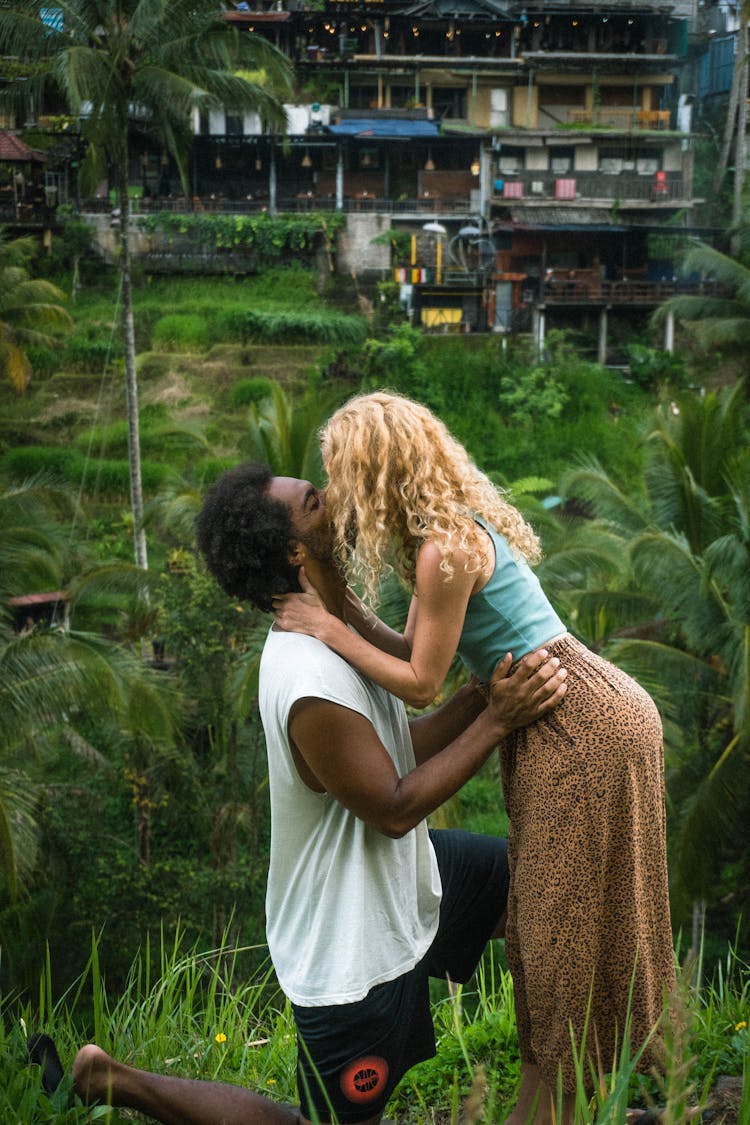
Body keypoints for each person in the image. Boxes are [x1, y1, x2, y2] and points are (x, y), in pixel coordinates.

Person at [50, 461, 566, 1125]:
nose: (338, 502)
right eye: (316, 501)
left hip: (408, 882)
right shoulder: (306, 674)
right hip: (349, 941)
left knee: (544, 887)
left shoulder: (336, 628)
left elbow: (394, 746)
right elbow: (394, 806)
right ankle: (113, 1078)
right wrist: (498, 720)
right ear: (297, 550)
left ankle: (557, 1086)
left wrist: (478, 694)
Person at [271, 392, 677, 1125]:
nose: (333, 496)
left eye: (338, 476)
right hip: (567, 717)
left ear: (373, 472)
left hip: (579, 724)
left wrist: (328, 633)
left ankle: (563, 1102)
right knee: (549, 926)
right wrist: (338, 615)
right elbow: (409, 651)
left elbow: (423, 685)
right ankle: (560, 1100)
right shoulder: (437, 541)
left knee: (560, 931)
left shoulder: (444, 550)